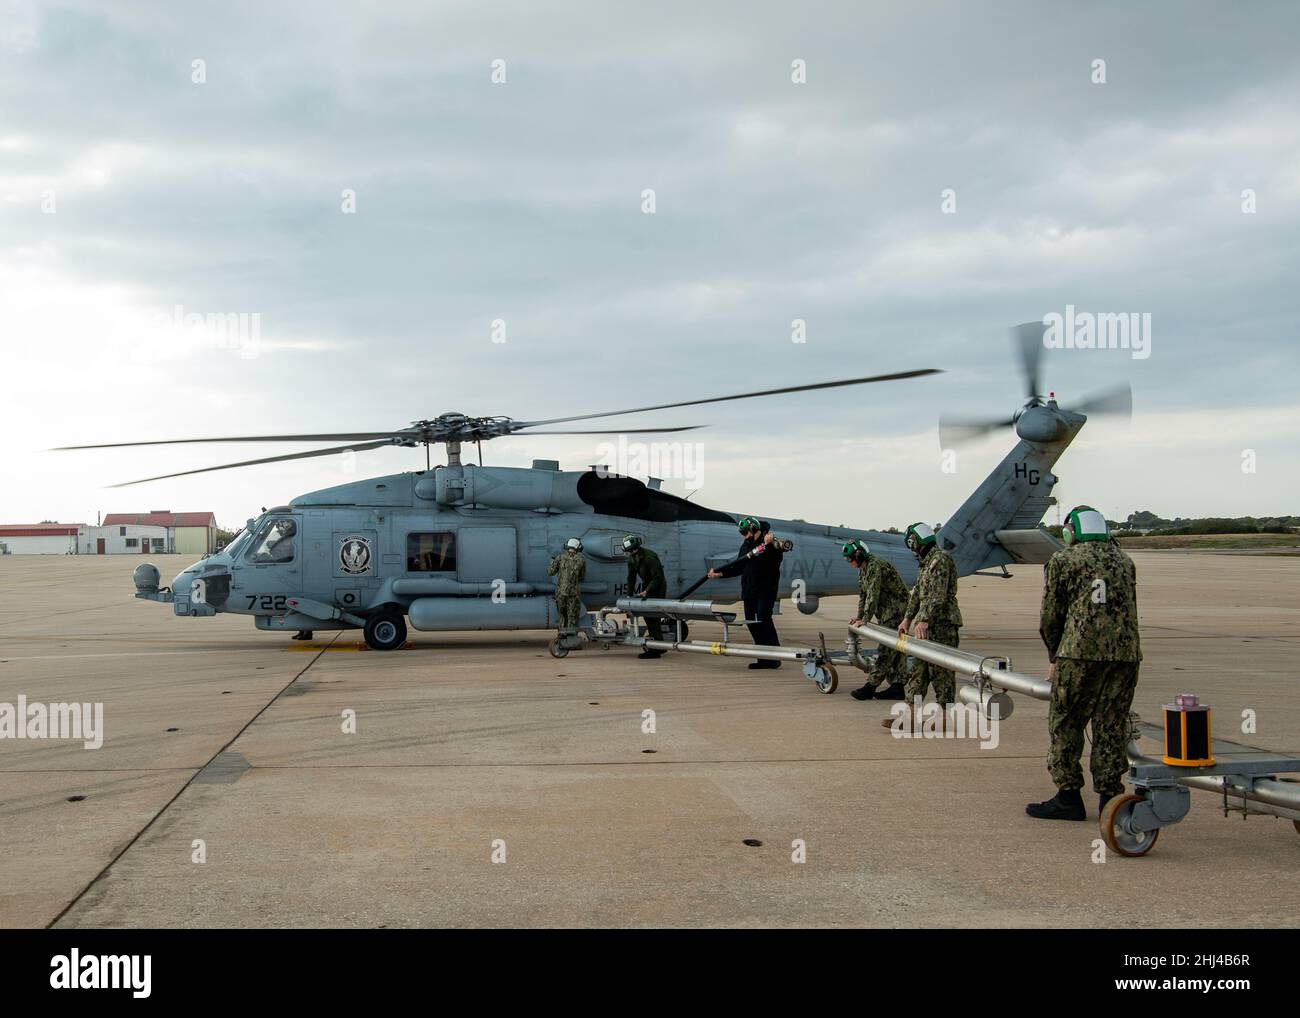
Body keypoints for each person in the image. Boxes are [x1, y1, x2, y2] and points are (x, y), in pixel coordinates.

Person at [1028, 506, 1142, 821]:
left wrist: (1054, 653)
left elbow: (1051, 615)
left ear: (1072, 531)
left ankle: (1068, 796)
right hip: (1124, 655)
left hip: (1078, 654)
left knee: (1066, 723)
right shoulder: (1124, 561)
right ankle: (1110, 797)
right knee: (1111, 724)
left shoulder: (1063, 561)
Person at [883, 522, 962, 730]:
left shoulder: (940, 560)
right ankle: (909, 715)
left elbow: (937, 595)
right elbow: (918, 593)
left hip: (943, 624)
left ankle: (944, 717)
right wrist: (907, 619)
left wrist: (924, 618)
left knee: (941, 672)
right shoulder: (926, 563)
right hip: (925, 626)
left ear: (915, 542)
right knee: (918, 671)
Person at [708, 516, 784, 669]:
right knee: (751, 622)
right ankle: (763, 658)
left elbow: (777, 558)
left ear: (755, 529)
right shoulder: (746, 544)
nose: (747, 536)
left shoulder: (770, 541)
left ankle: (774, 657)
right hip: (749, 590)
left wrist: (769, 545)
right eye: (744, 534)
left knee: (763, 620)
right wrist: (719, 574)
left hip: (765, 589)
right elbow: (739, 566)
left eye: (748, 533)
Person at [842, 539, 909, 700]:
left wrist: (865, 619)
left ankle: (870, 687)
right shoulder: (863, 569)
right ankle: (898, 687)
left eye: (850, 558)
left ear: (858, 555)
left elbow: (873, 594)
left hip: (896, 611)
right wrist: (859, 616)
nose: (849, 562)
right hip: (886, 611)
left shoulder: (874, 566)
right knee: (898, 649)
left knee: (886, 648)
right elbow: (864, 595)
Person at [623, 534, 666, 659]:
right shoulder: (632, 559)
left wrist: (647, 590)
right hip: (647, 585)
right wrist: (629, 595)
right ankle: (659, 646)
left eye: (633, 549)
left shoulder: (650, 557)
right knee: (648, 617)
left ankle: (657, 649)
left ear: (637, 547)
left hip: (657, 587)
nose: (631, 552)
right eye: (629, 551)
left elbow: (658, 577)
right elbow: (631, 578)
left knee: (653, 616)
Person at [547, 537, 587, 636]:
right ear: (578, 548)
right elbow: (582, 577)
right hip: (573, 593)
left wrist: (552, 562)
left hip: (561, 593)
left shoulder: (560, 558)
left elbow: (550, 572)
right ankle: (571, 638)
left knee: (562, 616)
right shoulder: (581, 560)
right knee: (572, 616)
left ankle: (562, 635)